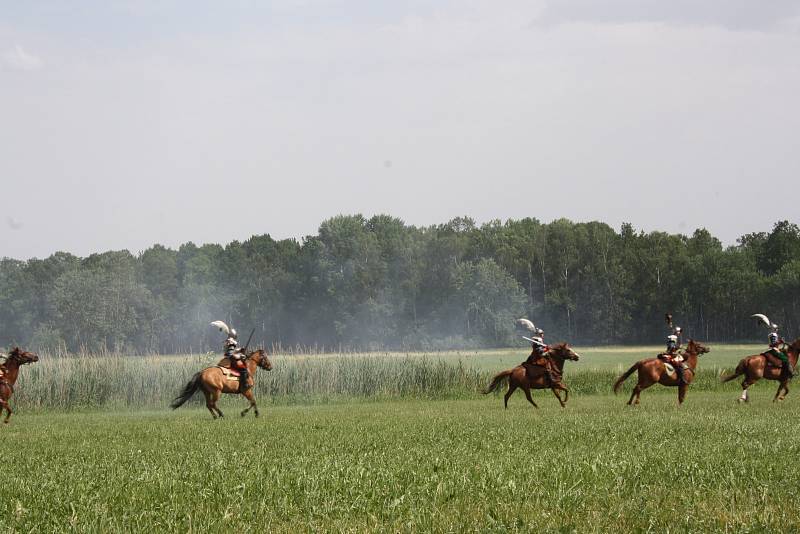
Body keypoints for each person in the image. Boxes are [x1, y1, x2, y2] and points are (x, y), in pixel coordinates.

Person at [222, 329, 250, 393]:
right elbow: (231, 353)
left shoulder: (228, 340)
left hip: (227, 358)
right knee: (243, 369)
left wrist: (240, 349)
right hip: (231, 359)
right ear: (233, 335)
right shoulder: (231, 341)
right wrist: (240, 356)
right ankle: (244, 385)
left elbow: (233, 350)